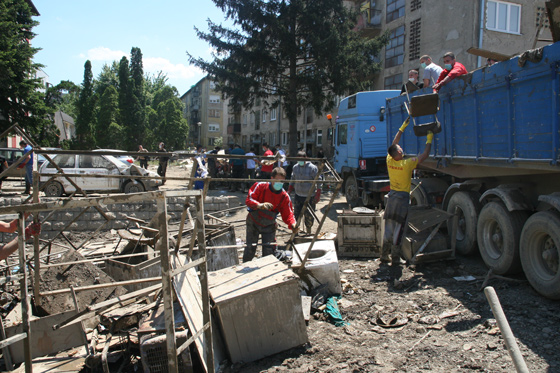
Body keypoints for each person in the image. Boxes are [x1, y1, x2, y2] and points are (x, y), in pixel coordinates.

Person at [383, 117, 433, 269]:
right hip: (403, 199)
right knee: (399, 228)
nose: (401, 149)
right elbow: (424, 156)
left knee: (389, 227)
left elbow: (393, 143)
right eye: (400, 148)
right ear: (398, 152)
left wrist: (402, 127)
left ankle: (384, 255)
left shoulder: (389, 161)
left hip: (391, 198)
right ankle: (396, 259)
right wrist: (429, 139)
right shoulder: (407, 164)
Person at [243, 167, 298, 262]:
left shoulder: (284, 196)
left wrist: (293, 224)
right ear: (271, 178)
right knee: (250, 248)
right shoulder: (260, 186)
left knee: (269, 252)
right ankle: (245, 266)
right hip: (254, 223)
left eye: (282, 181)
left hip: (269, 225)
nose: (279, 183)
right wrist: (259, 205)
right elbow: (249, 199)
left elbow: (288, 214)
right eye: (277, 180)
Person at [288, 151, 321, 235]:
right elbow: (293, 179)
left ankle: (308, 232)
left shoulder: (312, 168)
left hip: (309, 196)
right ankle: (295, 234)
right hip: (298, 195)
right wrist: (289, 191)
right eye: (298, 159)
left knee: (309, 216)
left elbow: (319, 180)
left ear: (305, 158)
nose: (300, 161)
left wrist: (318, 193)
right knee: (296, 215)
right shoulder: (295, 167)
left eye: (301, 159)